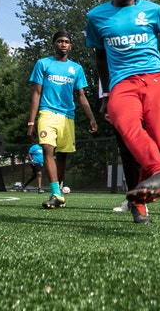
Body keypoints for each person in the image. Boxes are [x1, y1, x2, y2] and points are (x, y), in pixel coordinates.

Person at [86, 0, 160, 223]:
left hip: (156, 80)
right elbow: (100, 56)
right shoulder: (96, 16)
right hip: (121, 85)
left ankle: (141, 198)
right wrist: (106, 94)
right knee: (129, 131)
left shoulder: (154, 11)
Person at [27, 30, 98, 209]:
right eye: (59, 41)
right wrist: (31, 121)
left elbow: (81, 95)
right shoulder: (43, 64)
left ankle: (56, 192)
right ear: (53, 44)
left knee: (63, 155)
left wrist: (92, 118)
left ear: (71, 46)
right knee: (47, 149)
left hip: (67, 116)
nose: (63, 44)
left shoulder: (76, 69)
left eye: (66, 41)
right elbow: (36, 92)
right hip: (47, 113)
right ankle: (57, 193)